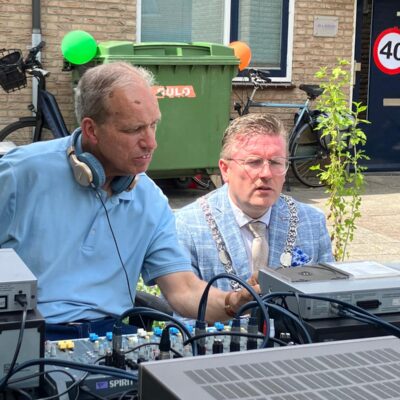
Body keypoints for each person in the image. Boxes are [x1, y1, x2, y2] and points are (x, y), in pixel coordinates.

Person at [0, 62, 258, 340]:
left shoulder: (149, 199)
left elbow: (184, 290)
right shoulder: (18, 175)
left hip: (110, 338)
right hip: (23, 338)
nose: (151, 143)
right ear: (91, 130)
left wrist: (234, 301)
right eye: (134, 129)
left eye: (153, 125)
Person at [175, 113, 334, 293]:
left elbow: (329, 297)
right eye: (254, 162)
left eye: (276, 162)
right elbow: (182, 307)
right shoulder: (190, 227)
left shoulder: (311, 222)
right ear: (225, 170)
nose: (266, 173)